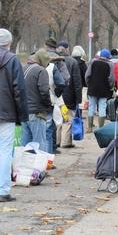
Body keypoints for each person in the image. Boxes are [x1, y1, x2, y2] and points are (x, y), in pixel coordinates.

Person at [0, 29, 28, 202]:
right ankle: (3, 190)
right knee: (4, 150)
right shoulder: (12, 60)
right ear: (9, 43)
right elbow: (19, 90)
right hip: (6, 112)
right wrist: (21, 115)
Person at [21, 49, 52, 152]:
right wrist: (48, 105)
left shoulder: (24, 68)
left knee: (25, 144)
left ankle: (24, 166)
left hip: (24, 112)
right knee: (40, 143)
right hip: (37, 112)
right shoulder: (41, 71)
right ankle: (39, 167)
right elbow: (44, 91)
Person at [57, 41, 82, 148]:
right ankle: (66, 141)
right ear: (67, 49)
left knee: (58, 118)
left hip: (57, 95)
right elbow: (77, 82)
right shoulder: (73, 62)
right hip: (70, 95)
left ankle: (57, 140)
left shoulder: (54, 61)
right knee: (68, 119)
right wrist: (79, 98)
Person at [85, 49, 115, 132]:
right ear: (108, 57)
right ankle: (101, 128)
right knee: (102, 107)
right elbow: (111, 79)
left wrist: (89, 85)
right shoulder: (110, 65)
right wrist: (111, 87)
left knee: (91, 107)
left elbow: (87, 75)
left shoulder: (93, 62)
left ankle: (90, 127)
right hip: (104, 90)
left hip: (92, 88)